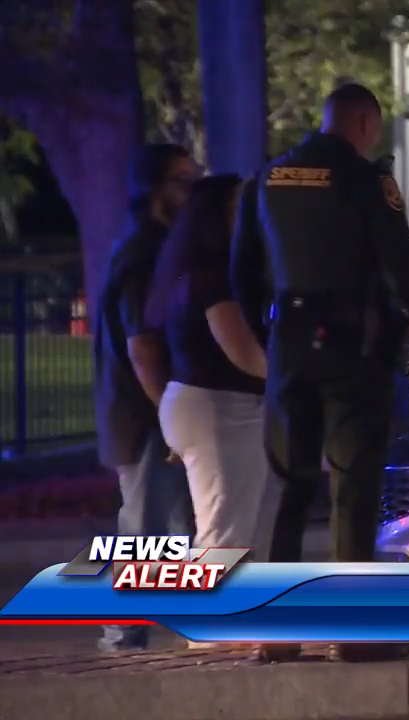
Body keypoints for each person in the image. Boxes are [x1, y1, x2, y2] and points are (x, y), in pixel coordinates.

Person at [230, 82, 409, 662]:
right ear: (363, 123)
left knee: (290, 484)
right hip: (353, 351)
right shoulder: (364, 180)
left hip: (289, 348)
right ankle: (353, 632)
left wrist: (270, 337)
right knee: (353, 487)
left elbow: (242, 272)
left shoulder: (268, 179)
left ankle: (277, 633)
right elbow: (400, 259)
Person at [144, 175, 278, 622]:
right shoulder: (212, 276)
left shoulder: (188, 269)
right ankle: (210, 624)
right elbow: (242, 351)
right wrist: (293, 378)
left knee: (227, 521)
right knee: (225, 528)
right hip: (220, 410)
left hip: (203, 406)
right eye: (240, 207)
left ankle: (226, 619)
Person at [91, 143, 198, 651]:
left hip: (154, 411)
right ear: (154, 190)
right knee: (145, 526)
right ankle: (120, 627)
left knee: (176, 522)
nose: (193, 191)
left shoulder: (156, 246)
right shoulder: (145, 253)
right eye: (183, 181)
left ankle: (178, 621)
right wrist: (169, 413)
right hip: (144, 414)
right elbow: (142, 346)